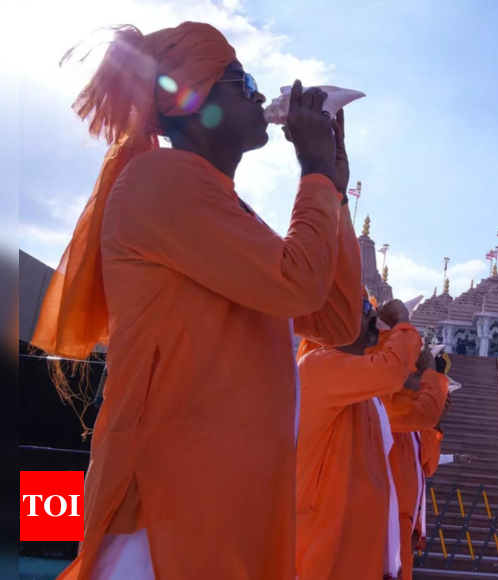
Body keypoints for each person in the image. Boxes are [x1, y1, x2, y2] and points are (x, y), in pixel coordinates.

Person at [32, 22, 364, 580]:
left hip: (229, 510)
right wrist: (313, 173)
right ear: (190, 100)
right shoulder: (158, 181)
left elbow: (335, 320)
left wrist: (332, 187)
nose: (260, 93)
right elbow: (299, 284)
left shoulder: (227, 209)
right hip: (167, 518)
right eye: (243, 79)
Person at [296, 297, 421, 580]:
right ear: (336, 322)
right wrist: (402, 321)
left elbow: (387, 366)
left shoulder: (363, 387)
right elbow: (390, 371)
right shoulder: (317, 366)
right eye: (365, 310)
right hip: (327, 537)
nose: (373, 316)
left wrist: (392, 331)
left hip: (360, 540)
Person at [384, 346, 450, 580]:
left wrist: (435, 426)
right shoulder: (389, 410)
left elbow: (427, 467)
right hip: (387, 519)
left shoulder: (412, 423)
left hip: (406, 520)